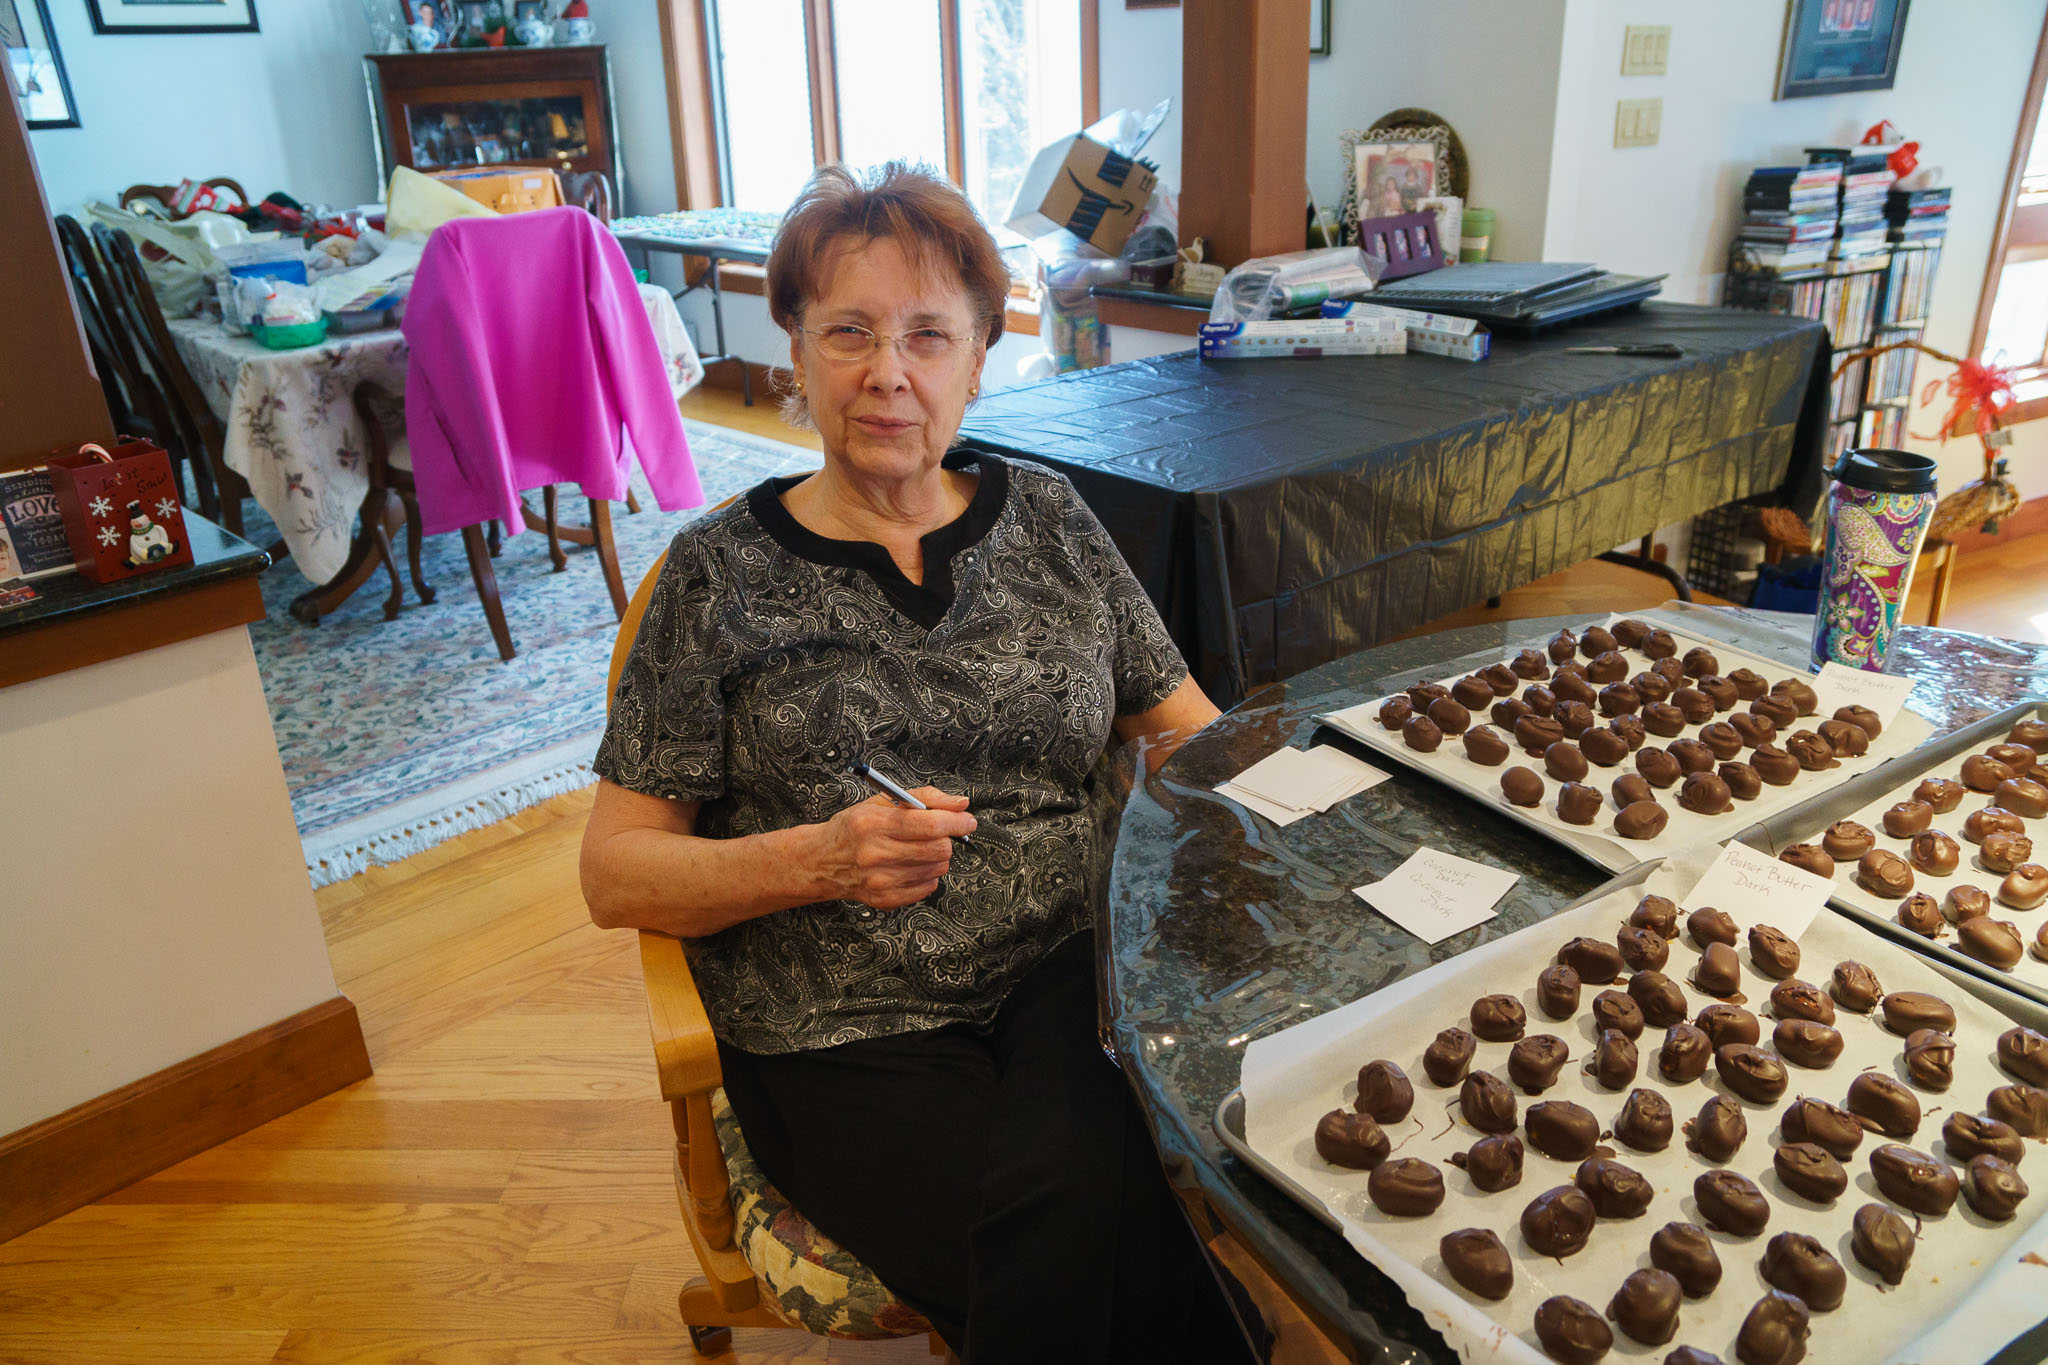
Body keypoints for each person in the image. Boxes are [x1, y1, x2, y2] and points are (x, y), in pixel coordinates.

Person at [581, 162, 1245, 1364]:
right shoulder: (711, 577)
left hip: (1067, 966)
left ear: (979, 356)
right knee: (1090, 1241)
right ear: (794, 349)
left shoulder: (1049, 519)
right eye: (849, 332)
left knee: (1081, 1223)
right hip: (836, 1015)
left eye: (928, 336)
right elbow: (615, 872)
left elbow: (1183, 730)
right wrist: (819, 860)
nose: (888, 373)